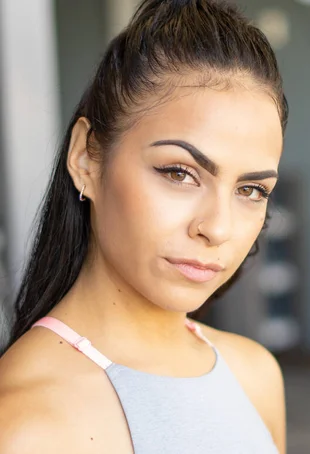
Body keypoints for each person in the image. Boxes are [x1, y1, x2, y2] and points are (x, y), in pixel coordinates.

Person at [0, 0, 287, 452]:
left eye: (250, 190)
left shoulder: (255, 374)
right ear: (86, 158)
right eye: (178, 173)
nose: (217, 227)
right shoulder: (24, 422)